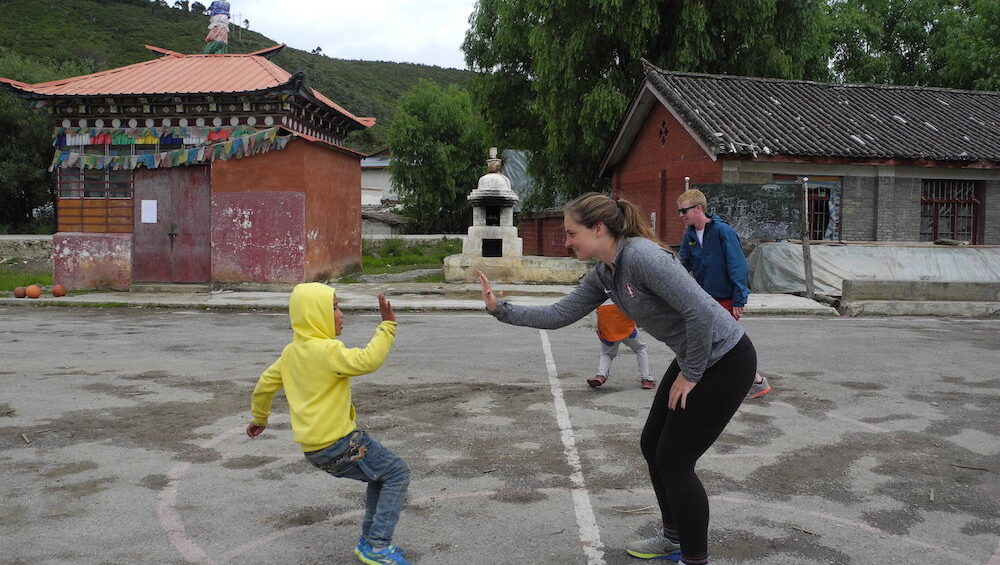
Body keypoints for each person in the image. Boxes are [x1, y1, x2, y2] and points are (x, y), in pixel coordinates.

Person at [478, 192, 757, 565]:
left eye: (571, 233)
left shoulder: (642, 257)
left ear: (598, 229)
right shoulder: (606, 273)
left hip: (725, 360)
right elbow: (562, 314)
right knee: (652, 446)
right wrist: (501, 309)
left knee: (675, 460)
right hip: (696, 357)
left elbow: (701, 312)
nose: (566, 242)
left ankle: (695, 558)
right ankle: (673, 538)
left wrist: (691, 374)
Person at [246, 283, 412, 565]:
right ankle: (377, 546)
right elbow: (367, 360)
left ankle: (369, 540)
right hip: (342, 444)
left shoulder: (291, 352)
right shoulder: (327, 350)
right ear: (314, 315)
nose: (341, 313)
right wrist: (387, 327)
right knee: (397, 473)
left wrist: (259, 418)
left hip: (315, 450)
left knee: (381, 476)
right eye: (333, 307)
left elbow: (264, 386)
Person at [677, 189, 771, 400]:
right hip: (705, 299)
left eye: (684, 211)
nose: (681, 215)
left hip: (726, 298)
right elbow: (682, 264)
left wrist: (739, 298)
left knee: (723, 344)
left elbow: (737, 265)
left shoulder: (722, 231)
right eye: (679, 212)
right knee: (710, 342)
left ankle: (756, 381)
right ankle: (747, 382)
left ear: (698, 208)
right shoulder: (690, 234)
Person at [590, 299, 655, 389]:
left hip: (607, 329)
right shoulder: (622, 290)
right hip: (627, 329)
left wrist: (597, 330)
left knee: (606, 354)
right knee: (640, 348)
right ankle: (647, 379)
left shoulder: (598, 293)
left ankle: (601, 375)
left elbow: (593, 315)